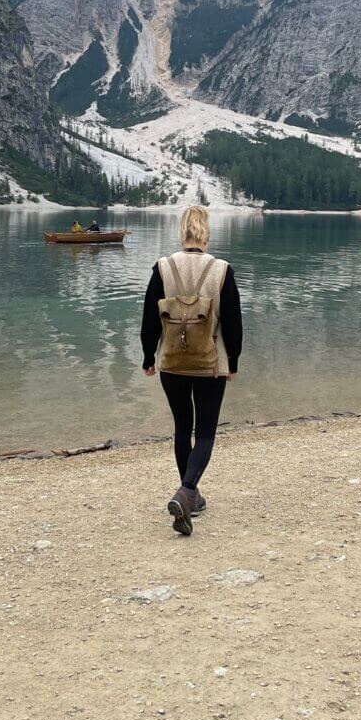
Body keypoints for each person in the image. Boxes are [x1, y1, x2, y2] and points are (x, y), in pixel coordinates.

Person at [140, 204, 242, 536]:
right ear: (206, 235)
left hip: (172, 362)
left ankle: (191, 497)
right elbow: (234, 323)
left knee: (183, 429)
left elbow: (148, 319)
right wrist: (234, 360)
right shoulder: (222, 269)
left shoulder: (162, 267)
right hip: (210, 364)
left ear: (181, 233)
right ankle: (187, 492)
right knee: (206, 432)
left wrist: (147, 357)